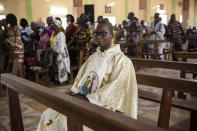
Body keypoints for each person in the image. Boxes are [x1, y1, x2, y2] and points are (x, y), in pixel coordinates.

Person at [37, 20, 138, 131]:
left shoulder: (122, 61)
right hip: (82, 103)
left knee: (64, 124)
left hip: (102, 109)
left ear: (112, 35)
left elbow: (115, 91)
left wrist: (86, 99)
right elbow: (81, 79)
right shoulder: (93, 57)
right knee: (48, 114)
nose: (99, 37)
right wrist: (75, 93)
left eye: (103, 34)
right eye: (97, 34)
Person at [50, 19, 70, 84]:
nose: (51, 25)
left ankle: (63, 80)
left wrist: (57, 53)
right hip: (55, 52)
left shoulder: (61, 34)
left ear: (56, 25)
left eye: (53, 24)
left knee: (61, 66)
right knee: (56, 66)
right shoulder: (53, 33)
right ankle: (58, 79)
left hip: (61, 53)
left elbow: (61, 46)